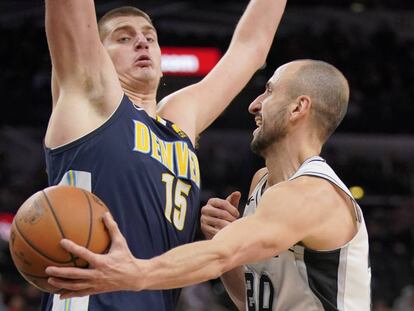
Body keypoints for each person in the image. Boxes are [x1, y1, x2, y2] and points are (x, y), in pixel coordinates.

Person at [45, 59, 371, 310]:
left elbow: (219, 255)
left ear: (298, 108)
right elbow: (249, 300)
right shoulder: (263, 184)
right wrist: (225, 239)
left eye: (269, 91)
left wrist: (137, 273)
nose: (254, 104)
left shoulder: (313, 194)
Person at [40, 0, 287, 310]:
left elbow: (251, 48)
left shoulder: (177, 121)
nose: (142, 41)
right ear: (96, 52)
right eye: (124, 37)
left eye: (149, 36)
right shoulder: (89, 100)